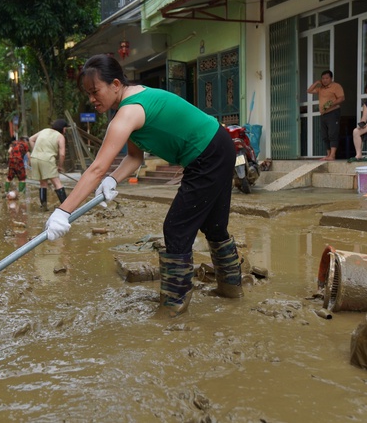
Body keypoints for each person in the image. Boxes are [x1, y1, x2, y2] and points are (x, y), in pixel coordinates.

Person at [44, 54, 243, 317]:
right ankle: (231, 290)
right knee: (213, 226)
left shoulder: (128, 111)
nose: (92, 99)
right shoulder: (132, 102)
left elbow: (96, 168)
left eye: (95, 91)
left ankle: (173, 306)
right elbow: (135, 157)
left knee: (176, 229)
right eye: (88, 94)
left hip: (208, 154)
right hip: (218, 146)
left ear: (115, 84)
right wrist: (113, 179)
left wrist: (64, 211)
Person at [29, 120, 68, 211]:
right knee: (57, 183)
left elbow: (31, 139)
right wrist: (60, 166)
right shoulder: (60, 136)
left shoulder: (44, 130)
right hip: (47, 160)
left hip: (34, 158)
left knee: (43, 183)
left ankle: (44, 206)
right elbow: (62, 154)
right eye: (65, 128)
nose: (65, 130)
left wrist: (36, 151)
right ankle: (66, 207)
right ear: (62, 128)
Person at [307, 70, 345, 161]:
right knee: (325, 135)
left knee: (333, 133)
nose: (324, 80)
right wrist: (317, 82)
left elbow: (342, 98)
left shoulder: (336, 86)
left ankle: (332, 155)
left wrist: (331, 104)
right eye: (323, 78)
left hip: (333, 112)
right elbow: (309, 90)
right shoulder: (321, 88)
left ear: (331, 78)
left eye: (327, 78)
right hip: (323, 114)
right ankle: (328, 155)